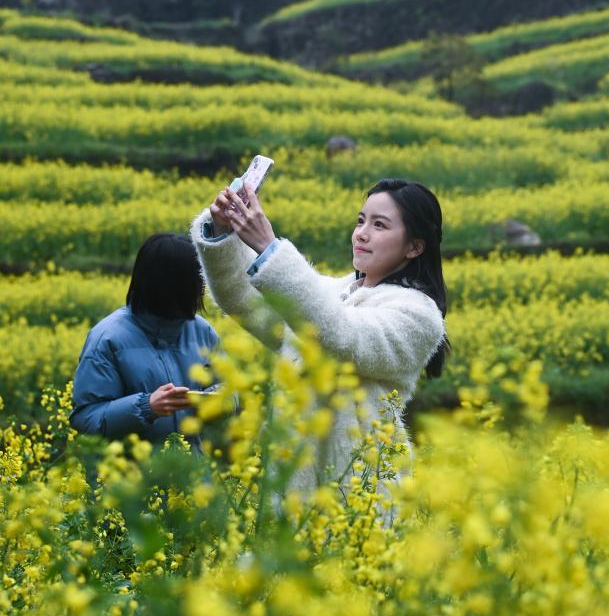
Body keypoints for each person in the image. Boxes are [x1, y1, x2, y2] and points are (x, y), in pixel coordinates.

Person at [190, 178, 448, 488]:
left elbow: (342, 335)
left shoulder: (418, 315)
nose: (362, 234)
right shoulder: (334, 294)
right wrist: (222, 232)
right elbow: (246, 301)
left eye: (380, 226)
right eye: (361, 220)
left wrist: (270, 249)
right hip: (292, 488)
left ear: (415, 246)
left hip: (357, 494)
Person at [70, 233, 219, 443]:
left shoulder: (203, 332)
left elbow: (229, 391)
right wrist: (146, 407)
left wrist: (220, 401)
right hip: (130, 474)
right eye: (198, 282)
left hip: (191, 472)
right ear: (172, 287)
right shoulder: (107, 339)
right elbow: (86, 419)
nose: (203, 290)